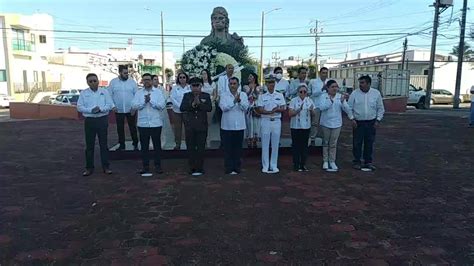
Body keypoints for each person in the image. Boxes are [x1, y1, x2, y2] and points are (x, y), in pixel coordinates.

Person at [77, 73, 115, 176]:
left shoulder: (104, 92)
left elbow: (110, 105)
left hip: (102, 120)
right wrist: (91, 110)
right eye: (91, 81)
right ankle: (89, 168)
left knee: (103, 144)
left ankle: (106, 167)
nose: (93, 83)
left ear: (98, 81)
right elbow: (79, 107)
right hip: (90, 121)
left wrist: (100, 109)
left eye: (95, 80)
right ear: (87, 83)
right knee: (89, 145)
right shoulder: (84, 93)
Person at [132, 73, 166, 177]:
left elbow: (162, 106)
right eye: (144, 80)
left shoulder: (158, 92)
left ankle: (158, 166)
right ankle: (145, 166)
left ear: (152, 81)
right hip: (143, 124)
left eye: (148, 80)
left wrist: (151, 101)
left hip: (156, 123)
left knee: (157, 146)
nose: (146, 82)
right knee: (144, 147)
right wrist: (143, 102)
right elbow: (134, 105)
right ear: (142, 81)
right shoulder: (138, 93)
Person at [347, 75, 385, 171]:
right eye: (360, 83)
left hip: (371, 122)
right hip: (358, 122)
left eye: (363, 83)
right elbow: (349, 108)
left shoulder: (376, 93)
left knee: (369, 142)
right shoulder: (354, 93)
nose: (360, 85)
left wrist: (378, 120)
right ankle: (357, 161)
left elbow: (381, 108)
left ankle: (368, 162)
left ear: (369, 83)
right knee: (357, 142)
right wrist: (352, 119)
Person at [180, 77, 213, 176]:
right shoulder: (186, 96)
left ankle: (200, 167)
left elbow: (209, 108)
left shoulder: (206, 96)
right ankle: (192, 167)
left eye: (197, 85)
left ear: (201, 86)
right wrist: (192, 104)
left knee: (201, 148)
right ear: (190, 87)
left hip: (202, 126)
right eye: (193, 86)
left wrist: (200, 104)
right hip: (190, 126)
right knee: (190, 148)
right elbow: (182, 108)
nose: (195, 88)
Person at [318, 80, 353, 172]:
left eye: (336, 87)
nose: (334, 88)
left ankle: (332, 161)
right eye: (332, 87)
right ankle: (325, 161)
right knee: (326, 142)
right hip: (325, 123)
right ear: (328, 88)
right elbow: (322, 107)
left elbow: (346, 109)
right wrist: (330, 101)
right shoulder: (323, 96)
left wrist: (342, 102)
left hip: (337, 124)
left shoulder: (340, 97)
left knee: (333, 143)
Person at [257, 76, 286, 174]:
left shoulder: (279, 95)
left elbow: (283, 107)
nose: (271, 84)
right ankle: (265, 165)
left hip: (276, 120)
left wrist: (277, 110)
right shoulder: (262, 96)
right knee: (265, 144)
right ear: (266, 84)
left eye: (273, 82)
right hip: (266, 120)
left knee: (275, 144)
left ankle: (274, 165)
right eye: (269, 83)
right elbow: (260, 109)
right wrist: (270, 112)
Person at [220, 77, 249, 174]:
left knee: (238, 148)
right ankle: (228, 167)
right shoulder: (224, 95)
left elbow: (246, 108)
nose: (232, 86)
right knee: (228, 148)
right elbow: (223, 108)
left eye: (234, 83)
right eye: (231, 84)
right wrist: (234, 102)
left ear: (238, 85)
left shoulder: (243, 95)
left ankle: (237, 167)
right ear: (228, 85)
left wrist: (240, 101)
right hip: (227, 126)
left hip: (239, 126)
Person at [108, 65, 139, 151]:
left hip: (131, 109)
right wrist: (112, 106)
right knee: (120, 128)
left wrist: (134, 107)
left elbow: (137, 95)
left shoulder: (132, 82)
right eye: (125, 73)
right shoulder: (113, 82)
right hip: (118, 110)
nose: (127, 74)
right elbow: (109, 95)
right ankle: (122, 144)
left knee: (132, 127)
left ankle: (135, 144)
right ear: (120, 73)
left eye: (127, 73)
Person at [288, 84, 316, 172]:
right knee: (296, 146)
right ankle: (296, 164)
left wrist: (311, 110)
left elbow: (314, 114)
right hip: (296, 126)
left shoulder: (310, 101)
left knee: (304, 146)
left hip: (306, 126)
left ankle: (303, 164)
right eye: (301, 92)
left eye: (305, 91)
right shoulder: (293, 101)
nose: (303, 93)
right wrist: (298, 110)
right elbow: (290, 114)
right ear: (298, 92)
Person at [170, 72, 191, 150]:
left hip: (187, 111)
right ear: (178, 79)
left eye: (184, 77)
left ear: (186, 78)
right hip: (177, 111)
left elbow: (191, 98)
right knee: (177, 129)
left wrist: (185, 107)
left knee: (188, 129)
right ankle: (177, 144)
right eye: (180, 77)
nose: (182, 79)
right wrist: (180, 106)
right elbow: (172, 98)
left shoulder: (189, 87)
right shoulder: (175, 88)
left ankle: (189, 144)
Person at [309, 67, 329, 145]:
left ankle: (325, 139)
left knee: (325, 123)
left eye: (326, 73)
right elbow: (313, 94)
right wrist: (322, 89)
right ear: (320, 73)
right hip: (316, 105)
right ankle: (312, 138)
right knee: (315, 123)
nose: (325, 74)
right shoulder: (313, 81)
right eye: (323, 73)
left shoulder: (329, 81)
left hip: (326, 106)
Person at [243, 73, 261, 148]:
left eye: (251, 76)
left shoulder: (259, 86)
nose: (249, 78)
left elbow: (258, 95)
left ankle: (255, 139)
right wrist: (251, 89)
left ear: (254, 77)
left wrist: (255, 89)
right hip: (248, 106)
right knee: (249, 122)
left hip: (255, 105)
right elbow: (246, 95)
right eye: (249, 76)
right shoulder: (245, 86)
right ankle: (249, 139)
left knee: (256, 123)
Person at [201, 69, 217, 147]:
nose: (204, 75)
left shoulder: (213, 83)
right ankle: (202, 140)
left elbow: (215, 95)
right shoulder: (200, 84)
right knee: (202, 123)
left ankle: (208, 140)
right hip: (202, 105)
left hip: (211, 105)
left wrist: (210, 101)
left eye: (205, 74)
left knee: (208, 123)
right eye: (202, 74)